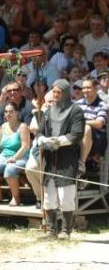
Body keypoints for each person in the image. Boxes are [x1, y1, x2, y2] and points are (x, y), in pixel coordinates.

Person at [38, 79, 85, 240]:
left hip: (67, 159)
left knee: (66, 196)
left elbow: (77, 134)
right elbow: (39, 132)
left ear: (65, 93)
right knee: (50, 196)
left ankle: (66, 230)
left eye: (59, 92)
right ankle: (51, 230)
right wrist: (42, 140)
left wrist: (58, 141)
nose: (56, 95)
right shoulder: (48, 111)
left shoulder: (76, 111)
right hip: (50, 160)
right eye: (54, 92)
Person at [0, 102, 30, 206]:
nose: (8, 114)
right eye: (6, 112)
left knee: (9, 170)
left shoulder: (23, 126)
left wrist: (14, 158)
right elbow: (0, 145)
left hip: (21, 156)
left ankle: (16, 198)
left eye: (11, 111)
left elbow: (25, 146)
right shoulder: (3, 126)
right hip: (4, 155)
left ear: (17, 113)